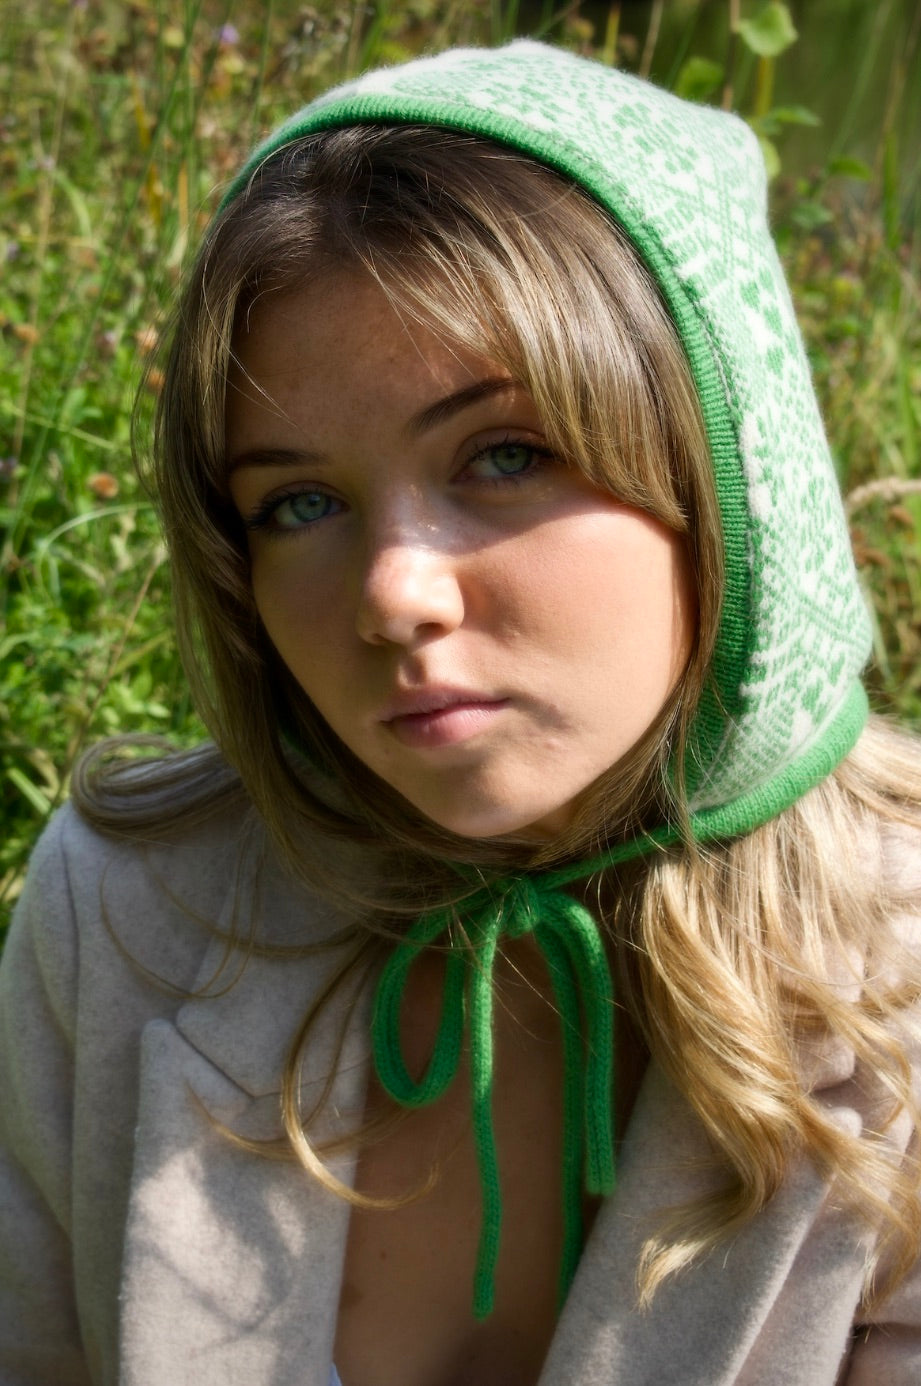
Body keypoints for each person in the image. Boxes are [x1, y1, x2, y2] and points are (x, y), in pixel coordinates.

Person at [1, 38, 920, 1386]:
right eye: (297, 502)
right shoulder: (124, 907)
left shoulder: (902, 971)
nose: (390, 594)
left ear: (728, 470)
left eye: (504, 454)